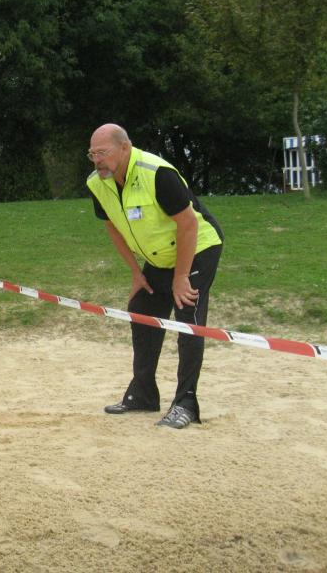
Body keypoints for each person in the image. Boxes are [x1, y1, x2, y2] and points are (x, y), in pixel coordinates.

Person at [86, 123, 224, 429]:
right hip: (159, 256)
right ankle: (143, 393)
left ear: (125, 148)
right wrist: (136, 272)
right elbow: (112, 226)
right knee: (141, 309)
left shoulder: (157, 173)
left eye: (103, 153)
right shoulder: (97, 183)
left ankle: (186, 402)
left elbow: (189, 224)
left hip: (198, 247)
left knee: (187, 317)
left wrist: (181, 277)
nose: (97, 160)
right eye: (92, 154)